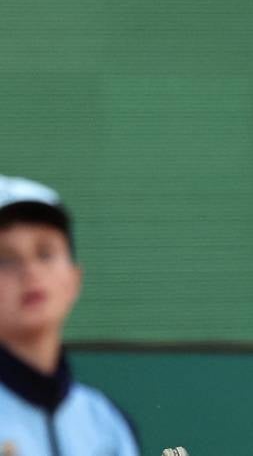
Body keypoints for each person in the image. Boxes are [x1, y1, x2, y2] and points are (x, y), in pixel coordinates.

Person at [0, 175, 140, 455]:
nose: (30, 271)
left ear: (74, 279)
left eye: (45, 253)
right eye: (5, 259)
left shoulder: (107, 425)